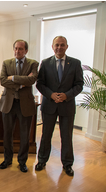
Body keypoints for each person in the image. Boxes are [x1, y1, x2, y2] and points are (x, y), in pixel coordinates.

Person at [35, 36, 84, 176]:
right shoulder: (45, 63)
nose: (59, 47)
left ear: (67, 47)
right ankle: (42, 161)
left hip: (67, 106)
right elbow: (40, 83)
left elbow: (79, 84)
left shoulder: (75, 63)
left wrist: (67, 95)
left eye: (62, 45)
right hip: (49, 105)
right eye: (57, 45)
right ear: (52, 46)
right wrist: (51, 94)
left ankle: (67, 165)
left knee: (67, 136)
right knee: (46, 135)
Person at [0, 39, 39, 172]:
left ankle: (22, 162)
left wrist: (14, 78)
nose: (17, 51)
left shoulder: (33, 63)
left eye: (21, 49)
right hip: (8, 104)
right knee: (7, 134)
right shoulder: (6, 63)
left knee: (24, 135)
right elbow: (3, 81)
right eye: (16, 48)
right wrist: (22, 83)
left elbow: (32, 80)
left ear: (26, 50)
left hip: (25, 105)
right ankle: (7, 159)